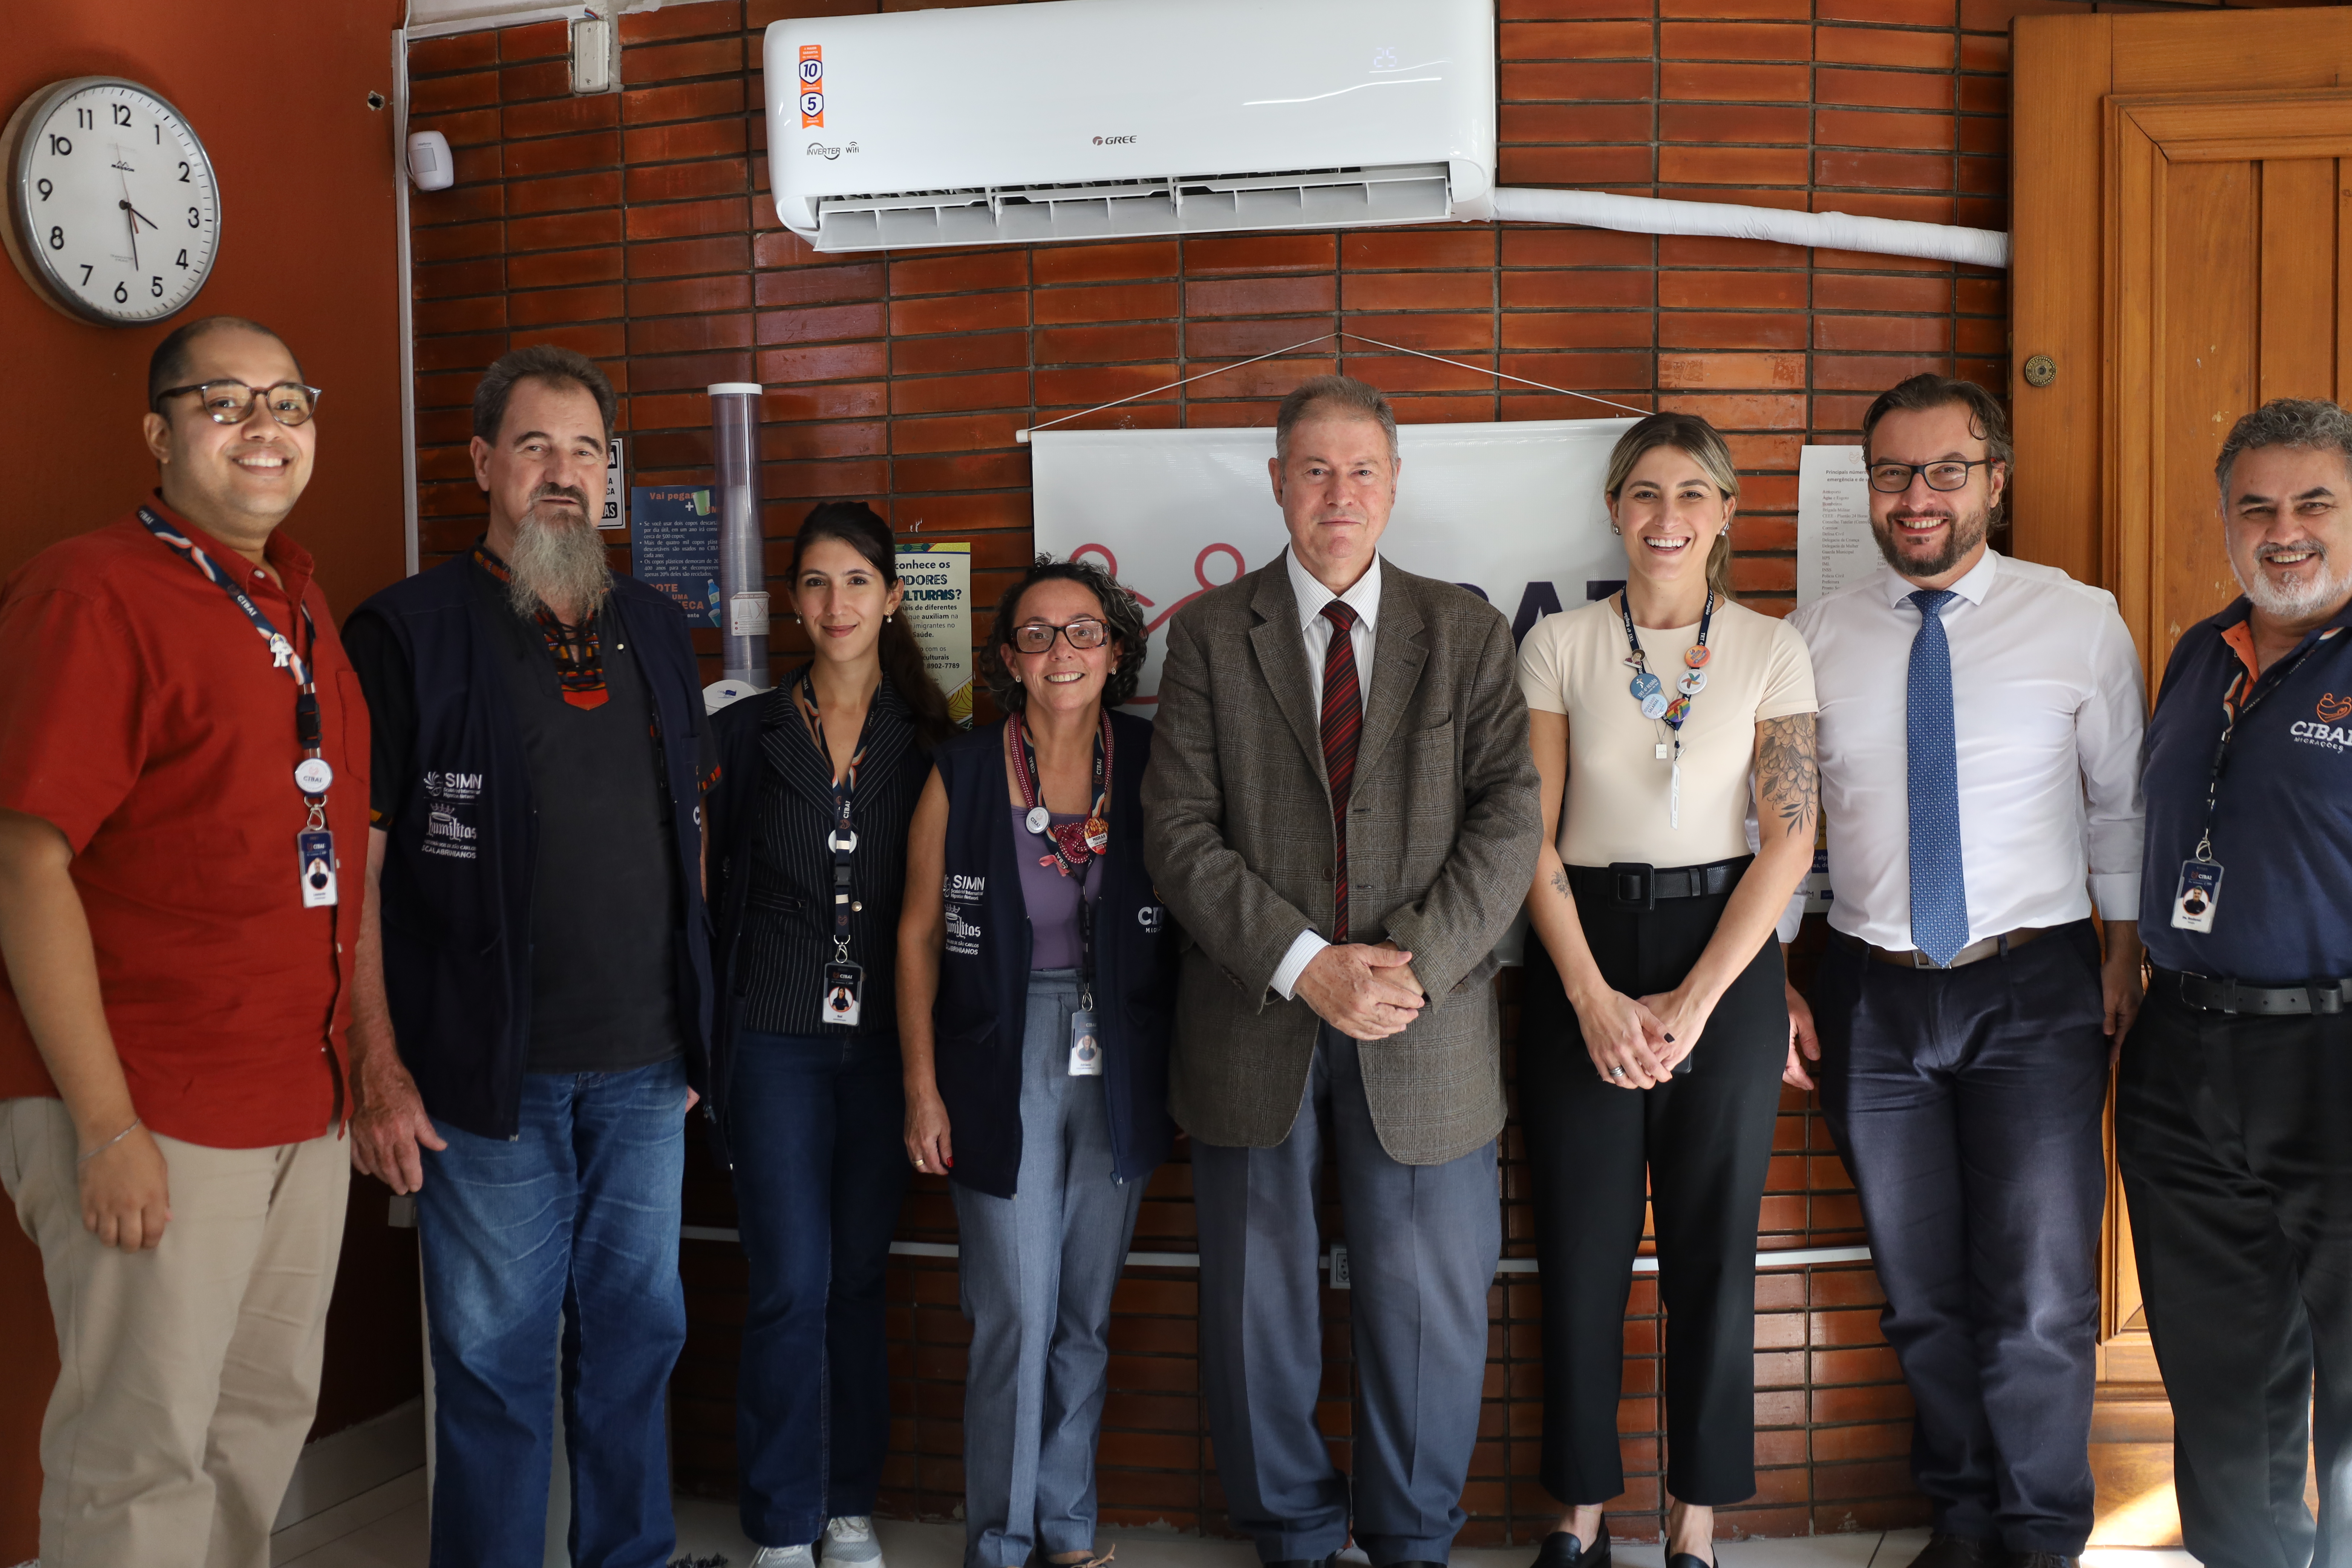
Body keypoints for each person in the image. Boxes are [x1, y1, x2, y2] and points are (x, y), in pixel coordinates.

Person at [1140, 375, 1542, 1568]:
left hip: (1424, 1029)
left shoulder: (1465, 633)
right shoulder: (1211, 635)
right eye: (1313, 469)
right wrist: (1310, 966)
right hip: (1252, 1023)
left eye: (1362, 468)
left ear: (1397, 483)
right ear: (1275, 482)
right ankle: (1295, 1540)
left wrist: (1395, 971)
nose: (1339, 492)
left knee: (1428, 1313)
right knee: (1258, 1311)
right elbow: (1177, 831)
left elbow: (1509, 822)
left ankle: (1412, 1538)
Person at [340, 345, 715, 1568]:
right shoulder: (406, 633)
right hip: (483, 1083)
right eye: (538, 447)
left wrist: (695, 1025)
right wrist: (376, 1069)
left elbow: (689, 836)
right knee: (497, 1368)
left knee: (637, 1342)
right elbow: (362, 876)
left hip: (649, 1072)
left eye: (588, 451)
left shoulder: (659, 630)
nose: (564, 473)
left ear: (614, 478)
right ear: (484, 464)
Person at [0, 317, 362, 1568]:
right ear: (159, 432)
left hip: (296, 1109)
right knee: (137, 1460)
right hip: (152, 1107)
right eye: (227, 403)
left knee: (254, 1432)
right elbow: (25, 856)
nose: (266, 427)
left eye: (290, 399)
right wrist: (105, 1127)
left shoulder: (301, 604)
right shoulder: (91, 591)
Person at [1784, 375, 2146, 1568]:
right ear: (1868, 489)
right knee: (1921, 1292)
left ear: (1997, 478)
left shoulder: (2078, 619)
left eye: (1946, 470)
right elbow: (1780, 824)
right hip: (1871, 992)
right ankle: (1965, 1521)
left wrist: (2123, 953)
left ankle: (2041, 1538)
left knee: (2040, 1296)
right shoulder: (1817, 632)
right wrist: (1780, 974)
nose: (1918, 496)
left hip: (2034, 989)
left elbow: (2119, 812)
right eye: (1893, 473)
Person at [1516, 413, 1819, 1568]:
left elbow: (1788, 844)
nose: (1667, 516)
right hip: (1578, 941)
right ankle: (1579, 1516)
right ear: (1613, 508)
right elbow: (1529, 839)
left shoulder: (1771, 647)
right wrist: (1593, 995)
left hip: (1727, 952)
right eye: (1645, 493)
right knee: (1582, 1247)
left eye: (1693, 494)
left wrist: (1694, 1003)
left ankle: (1695, 1521)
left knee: (1712, 1247)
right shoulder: (1557, 645)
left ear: (1726, 513)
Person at [899, 555, 1179, 1568]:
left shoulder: (1153, 761)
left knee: (1085, 1316)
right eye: (1037, 634)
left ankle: (1067, 1530)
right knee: (1016, 1310)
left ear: (1115, 652)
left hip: (1121, 1055)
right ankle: (1002, 1542)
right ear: (1008, 658)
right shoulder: (966, 771)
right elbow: (919, 935)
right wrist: (922, 1086)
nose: (1062, 652)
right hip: (998, 1050)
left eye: (1083, 632)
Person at [2121, 398, 2352, 1568]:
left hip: (2335, 1052)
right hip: (2184, 1048)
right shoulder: (2200, 654)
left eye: (2315, 502)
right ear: (2224, 520)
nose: (2285, 530)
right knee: (2220, 1375)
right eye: (2256, 505)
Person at [705, 502, 954, 1568]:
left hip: (887, 1052)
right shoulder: (745, 734)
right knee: (789, 1279)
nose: (835, 603)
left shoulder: (937, 740)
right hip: (772, 1039)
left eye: (856, 581)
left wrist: (929, 1073)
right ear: (791, 601)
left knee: (856, 1279)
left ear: (892, 597)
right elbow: (709, 892)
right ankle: (781, 1521)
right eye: (814, 582)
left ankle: (846, 1500)